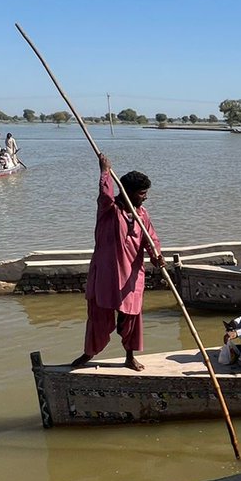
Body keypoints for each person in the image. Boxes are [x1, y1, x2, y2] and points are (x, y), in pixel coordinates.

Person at [71, 153, 163, 371]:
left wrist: (156, 255)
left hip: (131, 273)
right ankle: (89, 353)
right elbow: (104, 194)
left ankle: (129, 357)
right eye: (142, 193)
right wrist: (104, 172)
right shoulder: (109, 210)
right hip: (106, 273)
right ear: (128, 192)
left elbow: (151, 238)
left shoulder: (142, 214)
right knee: (98, 316)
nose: (145, 197)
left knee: (131, 318)